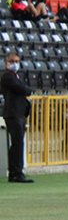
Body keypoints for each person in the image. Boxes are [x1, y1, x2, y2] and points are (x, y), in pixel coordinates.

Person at [2, 52, 34, 183]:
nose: (15, 64)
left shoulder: (14, 76)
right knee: (17, 143)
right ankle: (16, 173)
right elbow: (22, 89)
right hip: (13, 114)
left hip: (18, 113)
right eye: (12, 61)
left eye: (17, 61)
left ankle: (15, 172)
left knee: (17, 144)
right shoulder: (7, 76)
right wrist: (27, 89)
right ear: (7, 62)